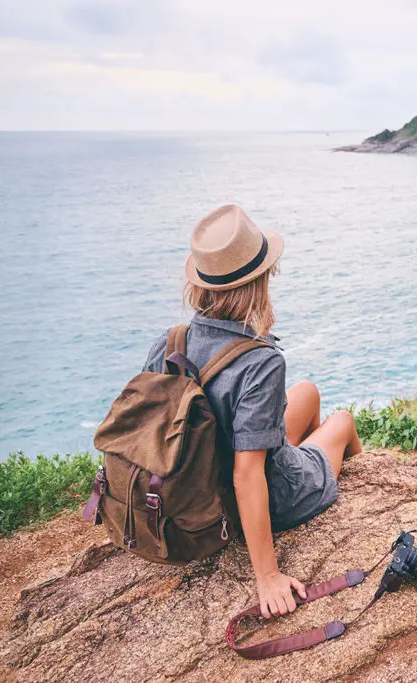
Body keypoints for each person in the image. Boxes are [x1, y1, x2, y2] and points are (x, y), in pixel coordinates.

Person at [141, 204, 362, 619]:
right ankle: (325, 473)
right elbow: (246, 474)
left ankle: (295, 450)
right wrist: (268, 576)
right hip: (265, 497)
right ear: (260, 281)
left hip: (197, 494)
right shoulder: (260, 362)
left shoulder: (169, 343)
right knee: (343, 422)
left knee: (308, 392)